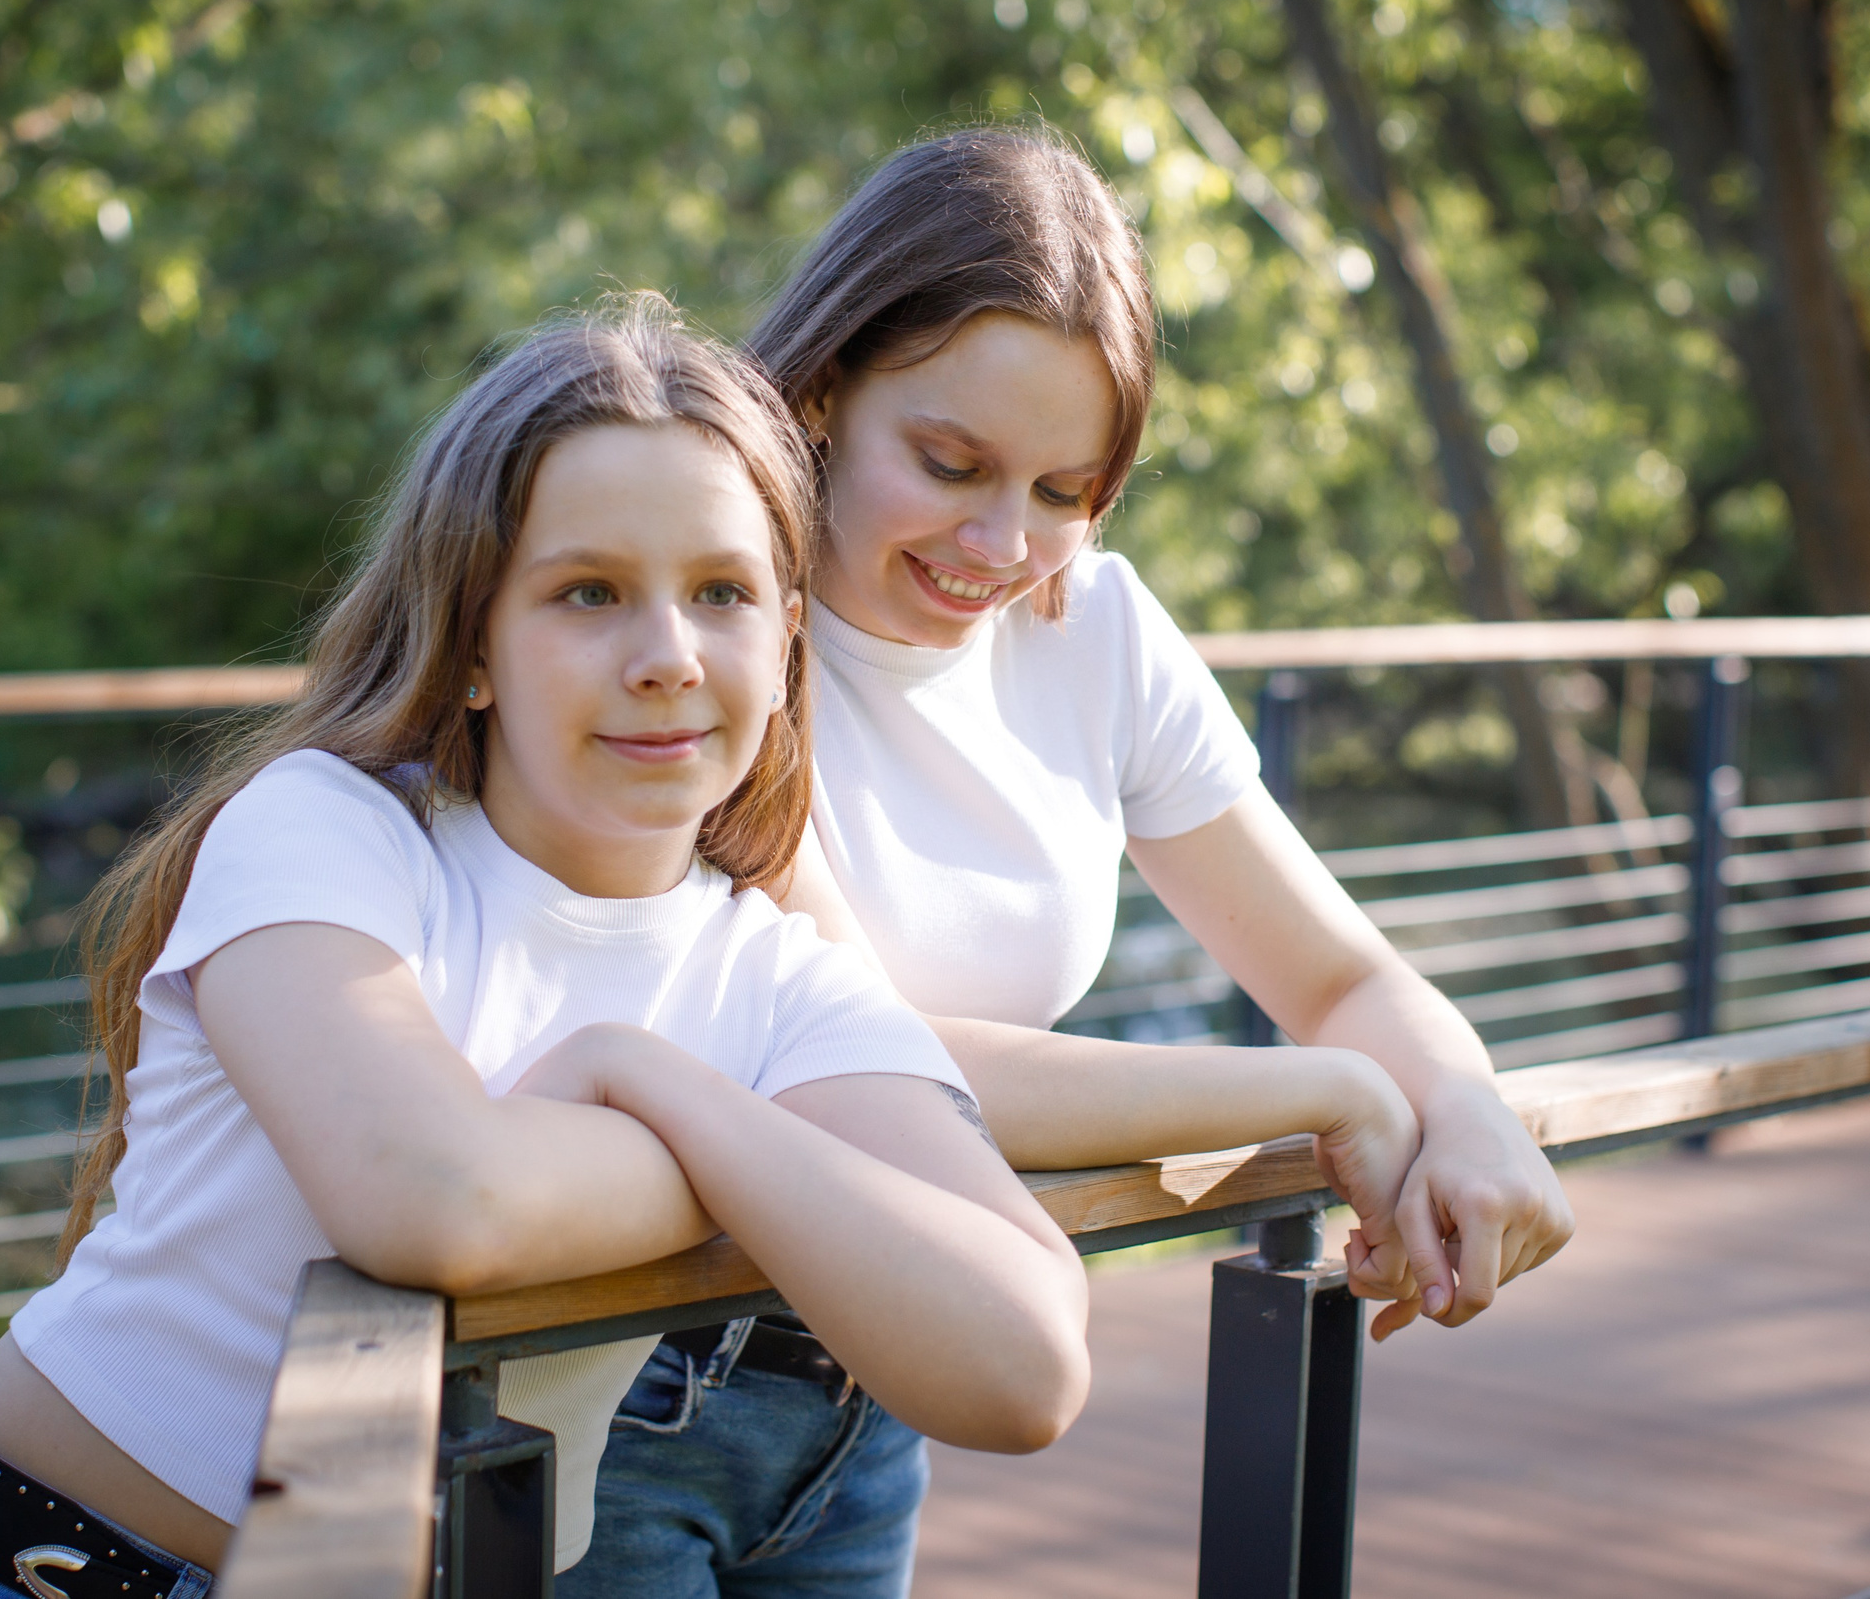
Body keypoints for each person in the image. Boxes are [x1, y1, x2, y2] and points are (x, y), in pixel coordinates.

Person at [0, 299, 1238, 1599]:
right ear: (472, 645)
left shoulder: (774, 978)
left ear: (785, 644)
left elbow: (1022, 1364)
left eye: (721, 594)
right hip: (51, 1566)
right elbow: (434, 1201)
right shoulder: (326, 832)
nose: (666, 655)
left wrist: (654, 1082)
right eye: (589, 595)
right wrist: (765, 1166)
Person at [570, 128, 1575, 1598]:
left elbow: (1340, 968)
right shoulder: (707, 639)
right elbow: (872, 1072)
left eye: (1065, 487)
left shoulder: (1092, 631)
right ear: (829, 388)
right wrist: (1332, 1092)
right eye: (952, 463)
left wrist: (1468, 1107)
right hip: (629, 1382)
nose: (1003, 543)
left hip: (875, 1385)